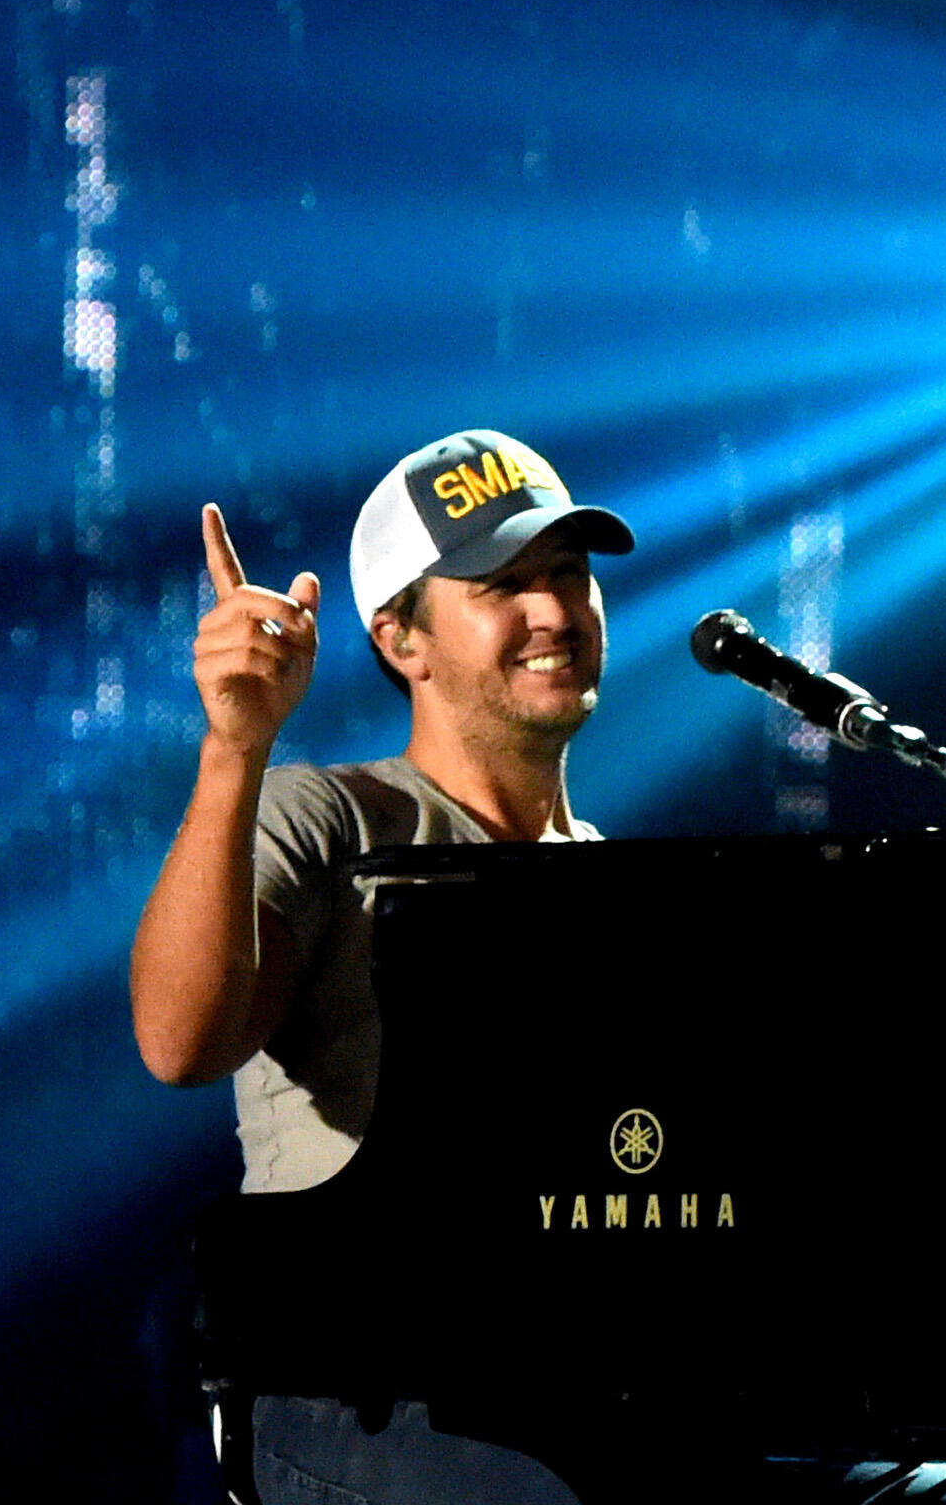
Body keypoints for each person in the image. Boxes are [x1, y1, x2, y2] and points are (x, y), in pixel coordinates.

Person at [130, 428, 633, 1504]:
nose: (554, 611)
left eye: (570, 575)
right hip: (363, 1393)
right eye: (506, 583)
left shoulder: (608, 874)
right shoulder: (330, 814)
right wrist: (236, 748)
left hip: (572, 1386)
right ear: (401, 637)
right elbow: (181, 1041)